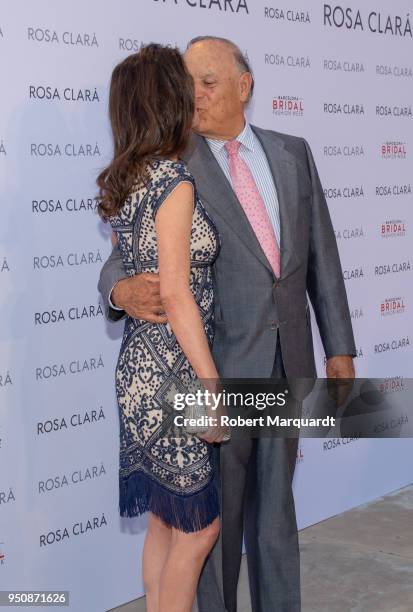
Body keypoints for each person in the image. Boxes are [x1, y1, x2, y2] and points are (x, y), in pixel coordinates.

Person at [99, 37, 356, 612]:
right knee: (210, 524)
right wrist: (119, 290)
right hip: (209, 365)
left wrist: (339, 347)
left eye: (209, 82)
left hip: (288, 362)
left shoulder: (294, 152)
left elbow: (321, 256)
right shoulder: (172, 161)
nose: (196, 95)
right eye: (187, 83)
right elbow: (125, 258)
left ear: (245, 86)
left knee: (275, 513)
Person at [96, 44, 229, 612]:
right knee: (198, 530)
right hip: (175, 372)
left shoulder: (128, 180)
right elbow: (175, 293)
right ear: (169, 102)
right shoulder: (173, 181)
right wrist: (211, 385)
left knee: (164, 523)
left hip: (138, 370)